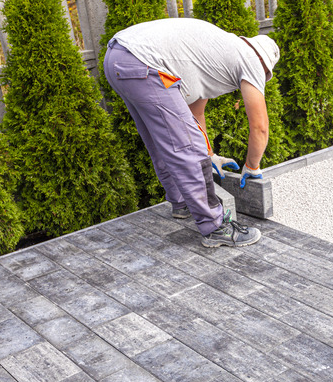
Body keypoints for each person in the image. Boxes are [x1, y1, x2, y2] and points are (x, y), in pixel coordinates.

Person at [103, 18, 280, 247]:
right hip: (142, 61)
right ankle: (216, 227)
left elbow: (195, 115)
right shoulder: (252, 60)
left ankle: (182, 203)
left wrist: (211, 155)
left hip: (118, 58)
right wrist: (252, 167)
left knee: (163, 139)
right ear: (264, 66)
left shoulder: (217, 54)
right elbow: (260, 127)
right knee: (189, 147)